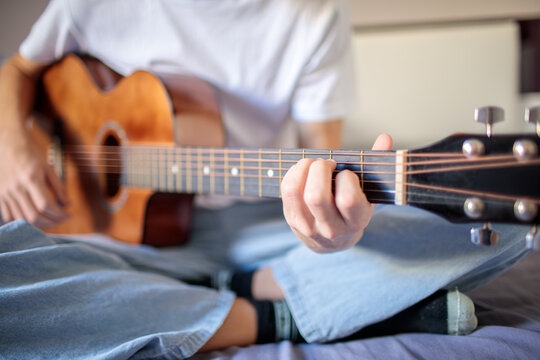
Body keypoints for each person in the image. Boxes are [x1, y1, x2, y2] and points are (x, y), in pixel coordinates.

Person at [0, 0, 532, 359]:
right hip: (119, 235)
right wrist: (15, 145)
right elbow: (17, 71)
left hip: (262, 223)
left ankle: (192, 298)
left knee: (503, 230)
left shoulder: (310, 16)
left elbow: (325, 163)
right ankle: (273, 313)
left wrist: (330, 232)